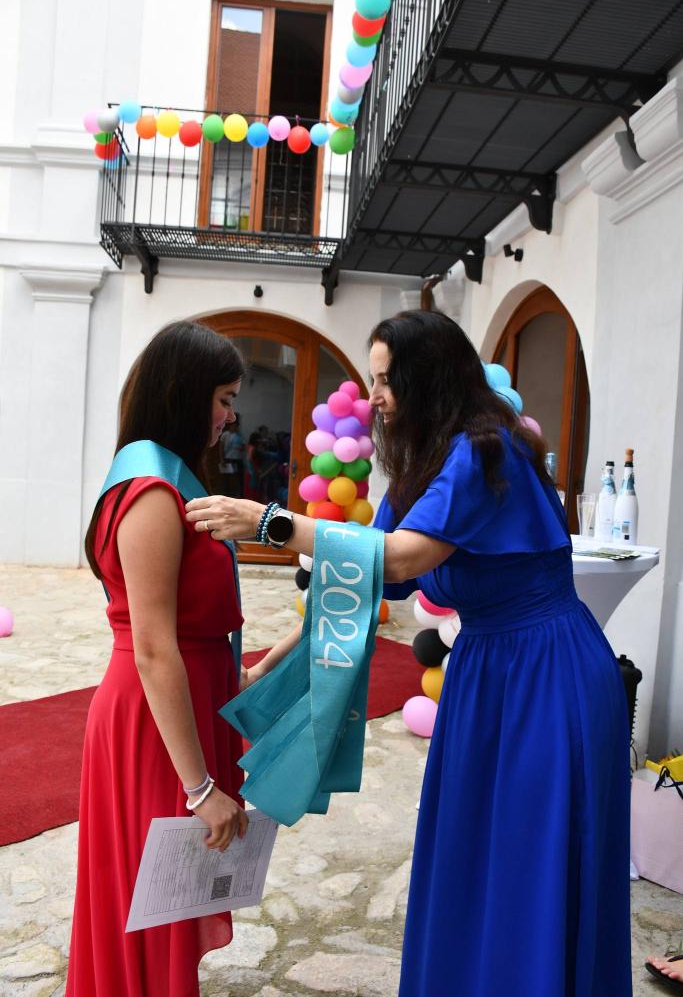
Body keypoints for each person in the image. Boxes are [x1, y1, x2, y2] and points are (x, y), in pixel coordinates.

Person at [186, 309, 633, 997]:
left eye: (386, 380)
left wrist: (270, 521)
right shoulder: (425, 463)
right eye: (372, 381)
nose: (376, 398)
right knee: (473, 855)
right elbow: (365, 580)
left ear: (429, 377)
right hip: (488, 671)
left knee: (528, 861)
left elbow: (401, 556)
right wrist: (269, 664)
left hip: (546, 673)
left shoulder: (485, 449)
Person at [67, 321, 249, 997]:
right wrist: (199, 788)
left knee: (167, 903)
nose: (230, 416)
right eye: (224, 399)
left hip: (183, 707)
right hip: (155, 725)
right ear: (185, 394)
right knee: (151, 911)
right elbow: (151, 647)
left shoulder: (166, 482)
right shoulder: (149, 491)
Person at [218, 413, 245, 497]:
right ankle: (226, 494)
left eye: (237, 426)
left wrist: (241, 448)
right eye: (235, 426)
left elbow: (243, 448)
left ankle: (239, 495)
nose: (236, 427)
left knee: (239, 478)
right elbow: (221, 448)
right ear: (231, 426)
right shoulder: (225, 435)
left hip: (238, 459)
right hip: (228, 459)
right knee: (227, 479)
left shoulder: (240, 435)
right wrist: (222, 459)